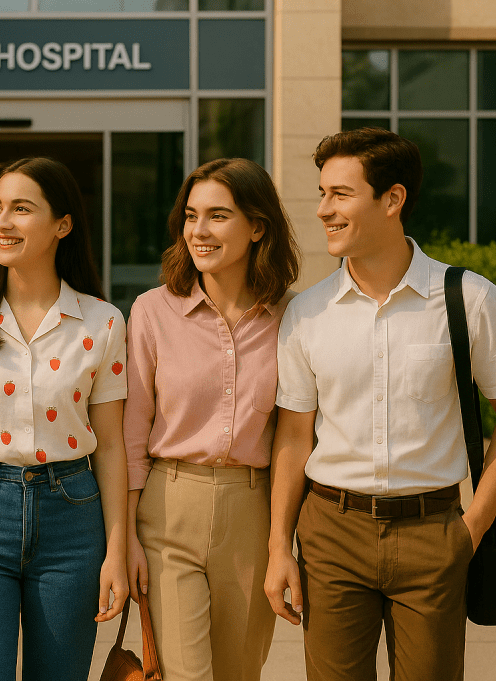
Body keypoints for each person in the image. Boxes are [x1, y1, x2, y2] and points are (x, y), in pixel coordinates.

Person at [265, 127, 496, 681]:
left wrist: (473, 526)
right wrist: (278, 549)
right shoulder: (307, 313)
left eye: (340, 194)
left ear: (392, 200)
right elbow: (294, 436)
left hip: (434, 533)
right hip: (331, 534)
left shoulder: (469, 299)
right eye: (322, 194)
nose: (323, 210)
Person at [0, 157, 129, 681]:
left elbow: (111, 446)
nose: (1, 222)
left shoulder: (102, 322)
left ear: (63, 224)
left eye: (20, 208)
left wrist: (117, 553)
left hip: (73, 519)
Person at [124, 158, 301, 681]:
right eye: (191, 215)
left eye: (218, 216)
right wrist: (126, 536)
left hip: (253, 511)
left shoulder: (293, 317)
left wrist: (281, 543)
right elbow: (132, 432)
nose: (199, 231)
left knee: (239, 673)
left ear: (258, 226)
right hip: (168, 506)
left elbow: (296, 433)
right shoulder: (153, 312)